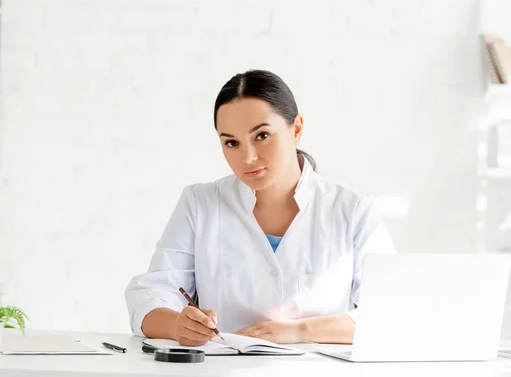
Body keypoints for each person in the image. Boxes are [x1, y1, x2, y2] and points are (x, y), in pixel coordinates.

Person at [125, 70, 395, 346]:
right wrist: (176, 325)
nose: (248, 157)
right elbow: (150, 295)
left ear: (297, 129)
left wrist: (300, 331)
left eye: (262, 135)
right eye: (231, 143)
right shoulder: (200, 203)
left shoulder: (352, 210)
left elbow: (395, 314)